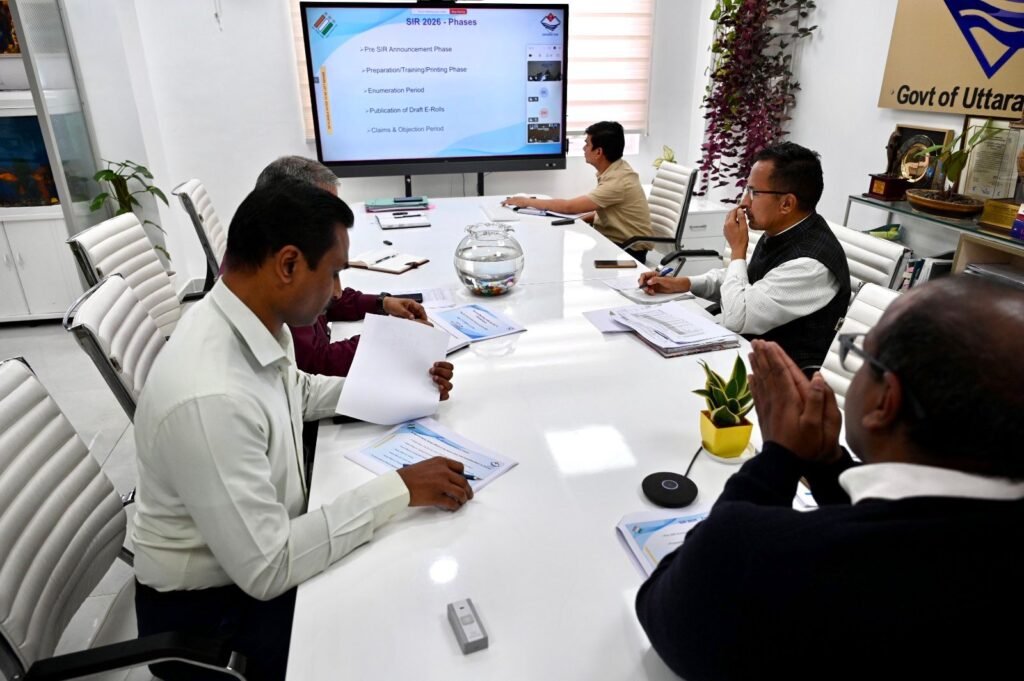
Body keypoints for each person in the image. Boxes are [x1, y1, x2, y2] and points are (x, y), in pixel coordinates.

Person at [131, 181, 474, 681]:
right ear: (288, 264)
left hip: (253, 553)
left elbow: (299, 392)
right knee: (401, 623)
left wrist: (401, 389)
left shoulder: (250, 319)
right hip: (211, 617)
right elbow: (268, 568)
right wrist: (400, 488)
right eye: (333, 273)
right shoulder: (210, 396)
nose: (337, 292)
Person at [635, 277, 1024, 680]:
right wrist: (827, 463)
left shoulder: (762, 554)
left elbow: (667, 611)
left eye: (861, 355)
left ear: (885, 401)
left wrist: (777, 459)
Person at [639, 142, 850, 370]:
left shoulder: (810, 265)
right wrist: (685, 283)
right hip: (744, 352)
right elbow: (748, 279)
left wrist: (738, 249)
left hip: (777, 376)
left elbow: (736, 318)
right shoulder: (784, 232)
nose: (744, 203)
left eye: (754, 193)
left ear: (787, 204)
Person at [255, 155, 428, 377]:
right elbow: (317, 362)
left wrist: (382, 303)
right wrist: (392, 341)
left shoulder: (283, 246)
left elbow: (330, 300)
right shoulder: (281, 276)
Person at [502, 121, 654, 262]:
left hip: (627, 251)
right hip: (614, 242)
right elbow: (608, 211)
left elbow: (569, 207)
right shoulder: (617, 169)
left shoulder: (618, 182)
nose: (583, 148)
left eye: (587, 144)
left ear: (598, 152)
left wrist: (526, 201)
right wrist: (578, 219)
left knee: (560, 256)